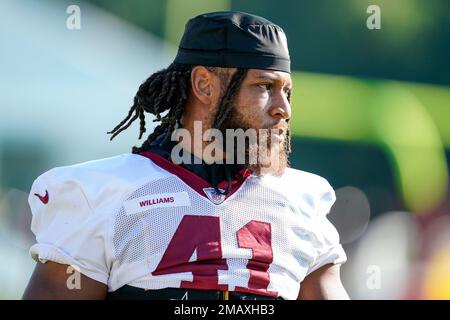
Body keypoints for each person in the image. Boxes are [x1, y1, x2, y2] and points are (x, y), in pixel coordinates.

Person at [23, 11, 349, 300]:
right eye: (265, 86)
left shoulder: (301, 200)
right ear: (205, 85)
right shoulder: (102, 194)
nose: (284, 109)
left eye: (287, 92)